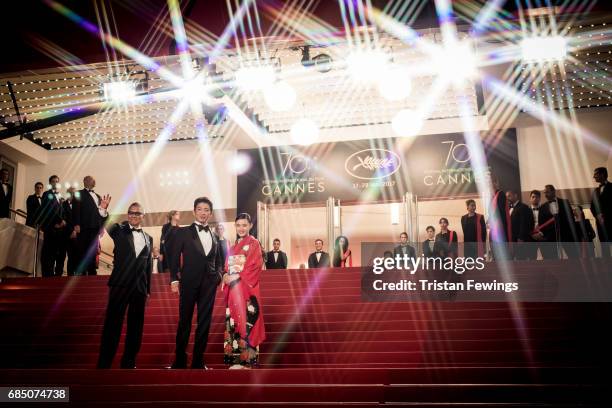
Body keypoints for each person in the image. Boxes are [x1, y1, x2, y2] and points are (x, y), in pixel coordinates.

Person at [97, 200, 153, 369]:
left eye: (137, 213)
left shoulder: (148, 238)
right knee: (112, 325)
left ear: (142, 216)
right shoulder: (119, 230)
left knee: (136, 327)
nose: (133, 215)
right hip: (120, 285)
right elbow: (105, 223)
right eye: (131, 212)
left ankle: (129, 362)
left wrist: (147, 289)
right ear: (128, 215)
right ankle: (105, 362)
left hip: (139, 288)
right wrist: (103, 210)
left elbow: (148, 266)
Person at [169, 197, 223, 370]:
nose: (203, 213)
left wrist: (219, 275)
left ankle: (198, 361)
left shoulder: (215, 236)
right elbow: (174, 257)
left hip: (209, 284)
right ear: (194, 211)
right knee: (184, 322)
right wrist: (174, 279)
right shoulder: (183, 232)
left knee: (205, 323)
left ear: (210, 213)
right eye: (199, 209)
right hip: (189, 282)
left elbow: (219, 259)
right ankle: (180, 361)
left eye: (206, 209)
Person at [223, 213, 266, 369]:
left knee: (248, 321)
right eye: (238, 225)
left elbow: (254, 266)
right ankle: (235, 362)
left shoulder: (254, 243)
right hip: (234, 291)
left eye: (244, 225)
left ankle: (248, 362)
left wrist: (236, 276)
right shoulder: (233, 247)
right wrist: (226, 275)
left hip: (247, 290)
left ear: (250, 226)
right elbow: (227, 266)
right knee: (234, 323)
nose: (241, 228)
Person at [73, 176, 108, 275]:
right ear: (85, 181)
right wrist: (76, 224)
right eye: (92, 180)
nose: (94, 181)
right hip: (84, 228)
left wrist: (102, 227)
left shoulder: (98, 196)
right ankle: (82, 272)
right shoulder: (78, 193)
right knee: (82, 250)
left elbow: (101, 213)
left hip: (95, 228)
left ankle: (92, 271)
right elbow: (76, 210)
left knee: (93, 251)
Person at [540, 185, 579, 259]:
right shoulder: (543, 207)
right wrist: (546, 236)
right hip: (551, 238)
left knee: (574, 257)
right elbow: (541, 223)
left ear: (553, 191)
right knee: (552, 260)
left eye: (547, 192)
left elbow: (571, 218)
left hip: (567, 236)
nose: (545, 195)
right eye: (544, 193)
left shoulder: (565, 202)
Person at [39, 175, 67, 277]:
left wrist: (63, 221)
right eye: (53, 181)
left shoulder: (60, 196)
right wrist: (59, 221)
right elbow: (49, 209)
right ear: (50, 183)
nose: (55, 183)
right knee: (49, 253)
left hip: (60, 230)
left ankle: (55, 275)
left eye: (57, 181)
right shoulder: (47, 194)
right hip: (51, 228)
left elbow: (62, 210)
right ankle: (47, 275)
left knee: (57, 253)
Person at [488, 174, 512, 260]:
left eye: (494, 182)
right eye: (490, 182)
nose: (492, 184)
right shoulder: (492, 196)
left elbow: (500, 213)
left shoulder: (500, 194)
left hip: (500, 230)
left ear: (497, 183)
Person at [506, 190, 534, 260]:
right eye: (506, 197)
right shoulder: (509, 208)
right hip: (511, 239)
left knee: (521, 259)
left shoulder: (523, 207)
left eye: (509, 196)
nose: (507, 198)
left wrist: (521, 238)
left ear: (515, 196)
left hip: (519, 239)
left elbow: (523, 224)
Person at [591, 167, 612, 258]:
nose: (593, 176)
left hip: (611, 222)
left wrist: (605, 215)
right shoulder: (595, 191)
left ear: (602, 174)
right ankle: (607, 267)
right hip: (600, 224)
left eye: (595, 174)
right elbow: (592, 206)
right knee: (604, 246)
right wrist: (597, 216)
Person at [62, 187, 78, 276]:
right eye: (71, 193)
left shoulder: (79, 205)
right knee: (70, 257)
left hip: (78, 235)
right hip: (67, 235)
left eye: (74, 193)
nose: (73, 195)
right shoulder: (63, 205)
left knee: (77, 257)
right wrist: (71, 231)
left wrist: (76, 231)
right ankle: (70, 276)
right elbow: (63, 219)